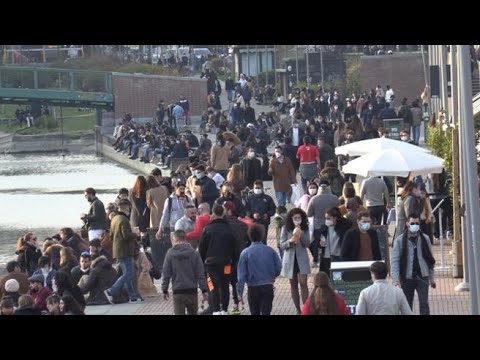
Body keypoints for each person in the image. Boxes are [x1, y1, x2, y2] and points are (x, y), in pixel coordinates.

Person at [391, 213, 436, 315]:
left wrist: (432, 278)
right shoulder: (399, 240)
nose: (414, 225)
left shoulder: (425, 239)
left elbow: (430, 259)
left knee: (424, 304)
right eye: (412, 223)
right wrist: (395, 279)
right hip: (407, 277)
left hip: (422, 276)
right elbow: (395, 261)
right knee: (407, 305)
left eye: (417, 223)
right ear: (407, 223)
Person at [199, 204, 236, 315]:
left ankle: (215, 309)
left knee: (211, 286)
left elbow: (202, 247)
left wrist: (202, 262)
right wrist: (233, 261)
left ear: (213, 213)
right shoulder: (229, 228)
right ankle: (224, 309)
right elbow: (234, 246)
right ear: (223, 213)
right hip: (226, 264)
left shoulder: (208, 229)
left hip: (211, 265)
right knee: (225, 285)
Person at [237, 224, 282, 315]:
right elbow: (278, 266)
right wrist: (272, 276)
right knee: (266, 311)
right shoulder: (270, 251)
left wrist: (239, 292)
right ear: (262, 235)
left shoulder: (245, 253)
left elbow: (241, 275)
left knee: (254, 311)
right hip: (267, 285)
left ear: (249, 236)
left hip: (252, 287)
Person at [161, 230, 208, 315]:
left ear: (174, 239)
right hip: (192, 291)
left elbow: (166, 273)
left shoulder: (170, 254)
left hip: (177, 291)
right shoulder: (194, 253)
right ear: (185, 238)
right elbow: (200, 273)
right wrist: (204, 290)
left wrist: (164, 289)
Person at [104, 199, 142, 304]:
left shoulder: (114, 219)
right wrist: (135, 234)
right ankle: (111, 291)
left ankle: (132, 295)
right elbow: (126, 236)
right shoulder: (124, 219)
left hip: (117, 250)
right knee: (129, 273)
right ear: (127, 207)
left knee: (126, 273)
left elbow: (111, 235)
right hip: (125, 250)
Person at [280, 208, 311, 314]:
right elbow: (281, 245)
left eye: (299, 218)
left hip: (301, 258)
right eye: (295, 218)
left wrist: (300, 233)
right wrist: (290, 241)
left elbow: (307, 243)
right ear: (291, 219)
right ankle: (298, 309)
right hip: (290, 260)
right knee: (293, 285)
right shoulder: (285, 228)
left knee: (303, 283)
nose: (297, 220)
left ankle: (306, 308)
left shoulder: (305, 228)